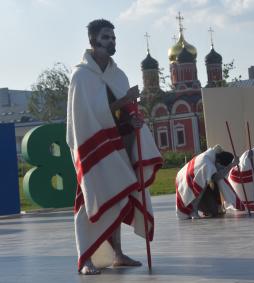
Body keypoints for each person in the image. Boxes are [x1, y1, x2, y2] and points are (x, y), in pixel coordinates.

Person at [66, 19, 163, 275]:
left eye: (113, 38)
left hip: (118, 146)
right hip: (93, 149)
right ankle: (85, 258)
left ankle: (118, 254)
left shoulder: (117, 75)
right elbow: (87, 118)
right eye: (106, 37)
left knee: (117, 199)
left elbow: (121, 114)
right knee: (91, 201)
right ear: (93, 41)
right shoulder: (81, 76)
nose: (112, 42)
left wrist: (132, 120)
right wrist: (124, 100)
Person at [176, 145, 244, 219]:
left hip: (193, 181)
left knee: (214, 211)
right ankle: (193, 210)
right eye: (222, 167)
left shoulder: (211, 158)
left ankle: (210, 207)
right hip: (186, 182)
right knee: (202, 183)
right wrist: (231, 165)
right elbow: (216, 177)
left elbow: (216, 180)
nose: (222, 169)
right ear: (218, 161)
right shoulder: (207, 163)